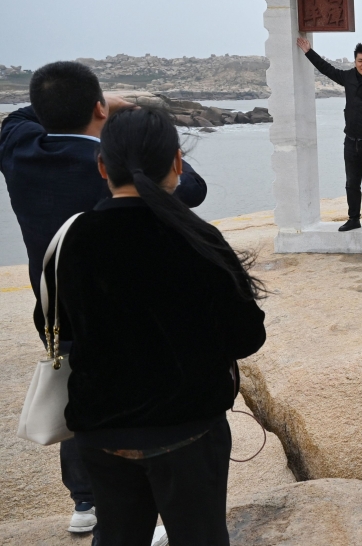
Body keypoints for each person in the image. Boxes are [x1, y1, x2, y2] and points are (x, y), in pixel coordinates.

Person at [0, 61, 207, 539]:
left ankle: (85, 501)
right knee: (131, 400)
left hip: (57, 303)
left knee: (77, 387)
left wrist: (90, 103)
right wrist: (140, 126)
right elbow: (191, 189)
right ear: (98, 108)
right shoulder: (110, 168)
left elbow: (17, 118)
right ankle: (141, 510)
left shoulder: (19, 150)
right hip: (124, 306)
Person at [54, 106, 266, 545]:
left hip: (101, 428)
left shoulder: (71, 237)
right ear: (177, 163)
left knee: (118, 536)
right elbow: (248, 336)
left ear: (102, 166)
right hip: (188, 429)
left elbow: (55, 331)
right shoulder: (198, 238)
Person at [296, 38, 362, 232]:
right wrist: (309, 52)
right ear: (355, 62)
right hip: (350, 142)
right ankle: (353, 219)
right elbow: (326, 69)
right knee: (351, 184)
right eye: (360, 61)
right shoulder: (349, 78)